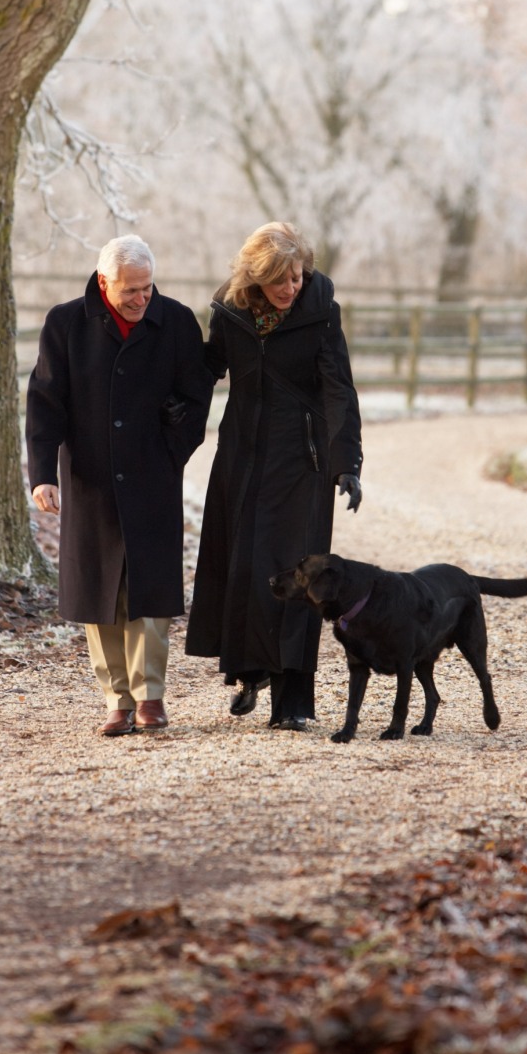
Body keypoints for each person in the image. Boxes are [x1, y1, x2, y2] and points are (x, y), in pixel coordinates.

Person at [26, 236, 213, 736]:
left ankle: (150, 695)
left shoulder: (174, 321)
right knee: (100, 589)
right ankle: (117, 699)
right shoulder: (65, 324)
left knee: (148, 587)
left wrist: (173, 451)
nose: (141, 298)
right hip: (90, 478)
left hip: (154, 475)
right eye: (131, 290)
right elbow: (45, 402)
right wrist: (43, 473)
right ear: (103, 281)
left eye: (147, 287)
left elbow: (196, 397)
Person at [185, 221, 362, 731]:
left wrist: (346, 462)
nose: (292, 288)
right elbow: (208, 367)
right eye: (281, 280)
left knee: (298, 573)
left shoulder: (320, 311)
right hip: (241, 453)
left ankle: (292, 704)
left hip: (301, 460)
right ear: (256, 277)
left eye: (298, 277)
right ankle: (248, 673)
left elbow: (338, 390)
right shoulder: (231, 310)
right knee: (243, 563)